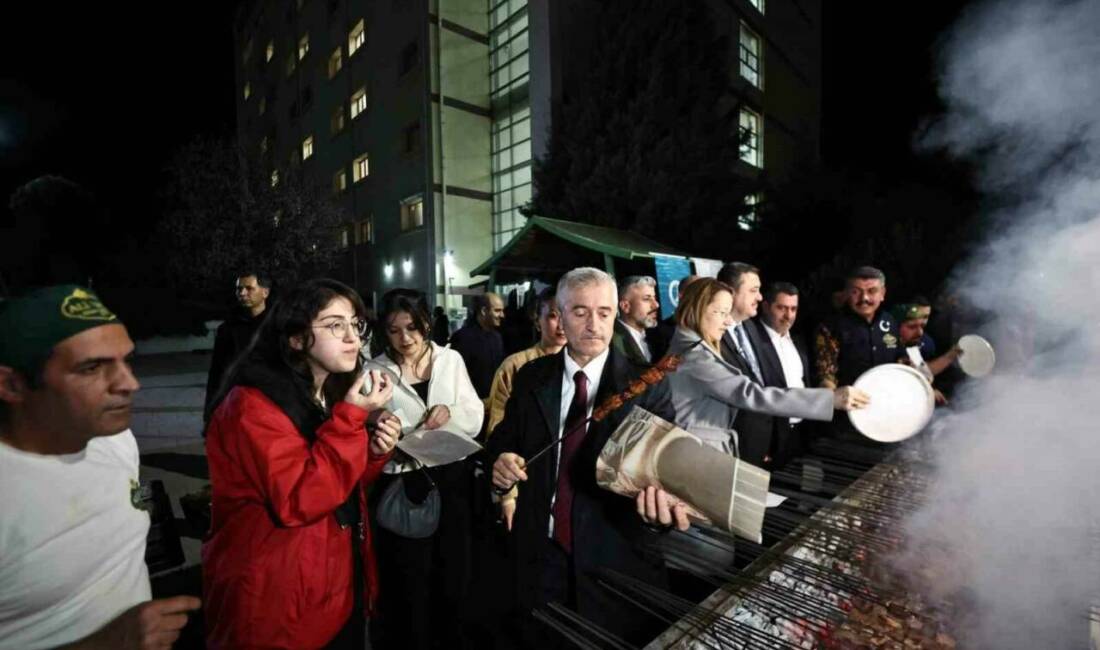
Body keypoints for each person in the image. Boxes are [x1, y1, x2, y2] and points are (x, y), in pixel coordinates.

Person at [488, 267, 688, 647]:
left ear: (616, 313)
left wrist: (659, 514)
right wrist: (500, 464)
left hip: (614, 561)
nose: (594, 324)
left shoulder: (646, 387)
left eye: (604, 312)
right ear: (559, 316)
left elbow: (662, 477)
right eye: (580, 312)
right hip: (540, 558)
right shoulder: (532, 376)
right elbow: (502, 442)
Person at [202, 278, 400, 649]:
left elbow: (338, 487)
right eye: (334, 325)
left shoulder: (325, 394)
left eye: (355, 324)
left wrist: (372, 451)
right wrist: (350, 420)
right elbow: (301, 498)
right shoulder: (251, 406)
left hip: (330, 587)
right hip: (276, 603)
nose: (352, 338)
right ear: (295, 339)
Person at [0, 285, 201, 649]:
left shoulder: (114, 440)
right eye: (92, 367)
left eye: (126, 360)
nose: (130, 384)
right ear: (12, 384)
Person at [365, 289, 484, 650]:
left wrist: (450, 412)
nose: (405, 339)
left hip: (452, 479)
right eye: (395, 330)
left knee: (453, 575)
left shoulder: (451, 361)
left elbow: (475, 416)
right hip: (403, 480)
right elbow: (366, 420)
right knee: (409, 579)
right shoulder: (375, 370)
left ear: (427, 324)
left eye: (413, 328)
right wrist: (377, 420)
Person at [665, 278, 869, 458]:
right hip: (698, 455)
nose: (728, 322)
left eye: (728, 313)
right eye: (721, 313)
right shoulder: (694, 356)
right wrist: (829, 399)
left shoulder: (689, 347)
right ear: (697, 309)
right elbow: (751, 394)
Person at [745, 281, 815, 469]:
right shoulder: (751, 341)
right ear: (766, 306)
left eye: (793, 309)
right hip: (769, 440)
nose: (788, 316)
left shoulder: (799, 340)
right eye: (782, 308)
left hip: (799, 435)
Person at [485, 288, 568, 437]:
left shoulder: (580, 366)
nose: (561, 325)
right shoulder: (514, 365)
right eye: (553, 316)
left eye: (567, 315)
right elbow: (497, 423)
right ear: (537, 321)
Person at [204, 271, 272, 419]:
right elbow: (216, 373)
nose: (242, 293)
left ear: (265, 292)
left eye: (249, 288)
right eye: (239, 289)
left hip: (272, 407)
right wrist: (209, 414)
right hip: (236, 407)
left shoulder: (278, 327)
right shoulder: (226, 329)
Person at [449, 292, 505, 401]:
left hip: (495, 403)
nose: (502, 315)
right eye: (497, 310)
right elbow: (455, 376)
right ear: (484, 311)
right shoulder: (462, 338)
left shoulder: (497, 337)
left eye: (502, 311)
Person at [611, 275, 661, 365]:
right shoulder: (612, 342)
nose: (656, 305)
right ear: (626, 306)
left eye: (654, 298)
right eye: (647, 299)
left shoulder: (657, 338)